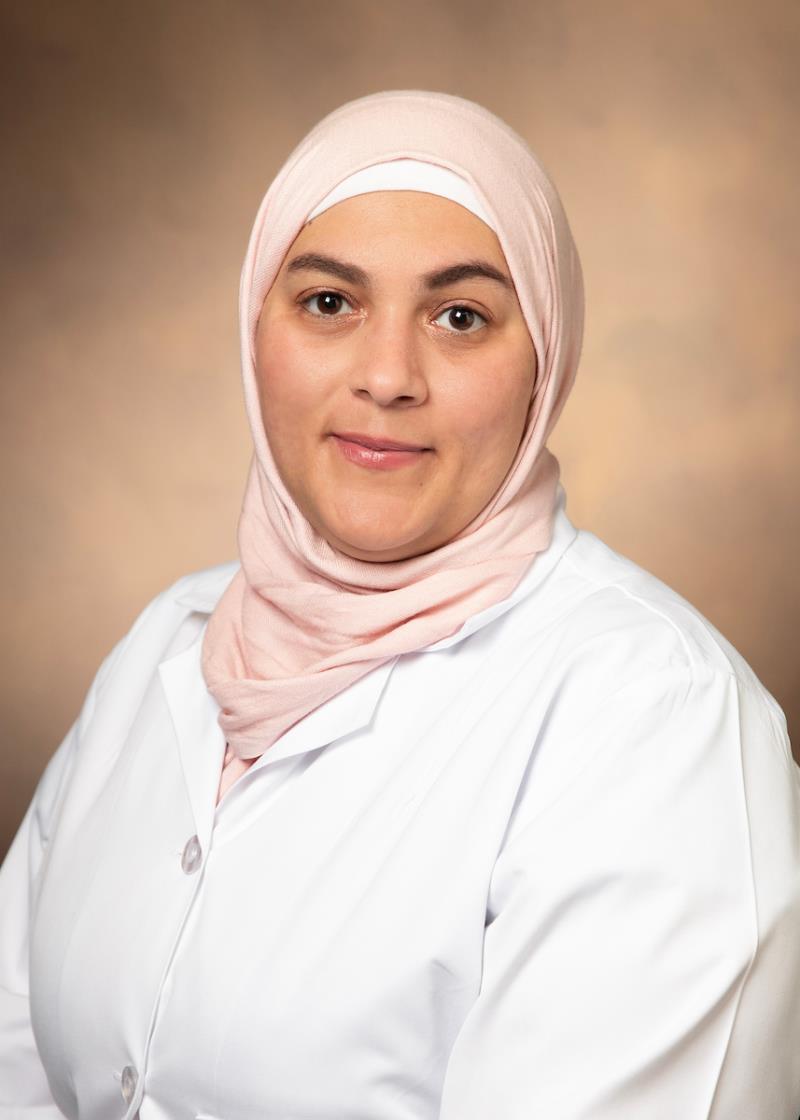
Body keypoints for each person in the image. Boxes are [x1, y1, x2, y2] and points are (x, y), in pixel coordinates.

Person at [1, 89, 798, 1119]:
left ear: (544, 362)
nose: (385, 377)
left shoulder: (655, 720)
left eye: (459, 317)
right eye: (329, 302)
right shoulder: (168, 640)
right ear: (256, 329)